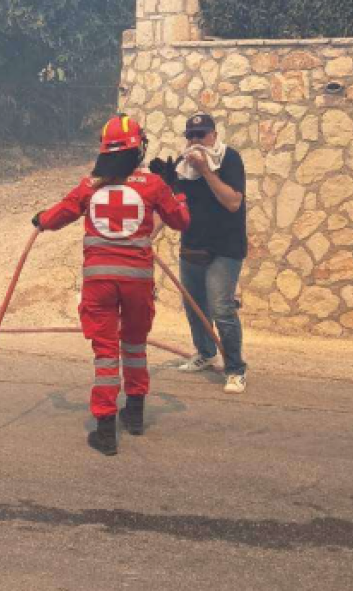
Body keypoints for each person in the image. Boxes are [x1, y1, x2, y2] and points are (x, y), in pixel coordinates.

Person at [32, 115, 190, 456]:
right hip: (137, 283)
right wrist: (175, 187)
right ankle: (134, 414)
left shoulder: (90, 186)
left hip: (99, 283)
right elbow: (180, 220)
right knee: (134, 345)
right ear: (138, 149)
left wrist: (40, 219)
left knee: (106, 353)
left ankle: (105, 432)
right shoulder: (152, 185)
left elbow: (60, 214)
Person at [166, 113, 249, 394]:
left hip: (225, 247)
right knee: (195, 306)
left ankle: (235, 369)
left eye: (201, 135)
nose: (195, 141)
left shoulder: (229, 159)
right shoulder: (182, 167)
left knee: (221, 309)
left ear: (214, 135)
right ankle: (205, 352)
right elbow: (169, 206)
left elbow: (233, 202)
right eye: (190, 136)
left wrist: (205, 171)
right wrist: (145, 237)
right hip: (192, 244)